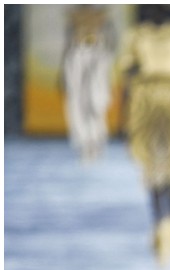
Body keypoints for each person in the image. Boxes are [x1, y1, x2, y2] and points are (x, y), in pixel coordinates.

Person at [117, 5, 170, 266]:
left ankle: (169, 220)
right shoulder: (136, 33)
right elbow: (127, 68)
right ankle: (162, 221)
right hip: (149, 99)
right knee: (152, 165)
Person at [60, 5, 115, 163]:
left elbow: (111, 38)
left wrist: (107, 56)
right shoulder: (73, 14)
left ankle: (96, 141)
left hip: (98, 53)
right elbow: (68, 40)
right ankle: (84, 143)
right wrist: (63, 71)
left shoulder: (101, 14)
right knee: (77, 103)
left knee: (97, 102)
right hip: (77, 54)